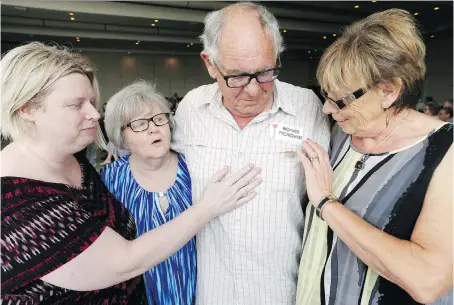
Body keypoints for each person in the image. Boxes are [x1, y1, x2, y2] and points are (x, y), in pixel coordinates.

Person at [0, 42, 262, 304]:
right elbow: (124, 261)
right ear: (27, 108)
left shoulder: (72, 159)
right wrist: (206, 208)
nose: (93, 113)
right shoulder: (13, 203)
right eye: (76, 104)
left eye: (91, 102)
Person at [172, 2, 330, 304]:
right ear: (209, 63)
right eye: (238, 77)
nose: (255, 90)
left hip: (284, 293)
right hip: (211, 293)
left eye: (265, 72)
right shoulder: (192, 109)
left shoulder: (307, 108)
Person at [295, 9, 453, 305]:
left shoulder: (445, 152)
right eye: (325, 96)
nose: (328, 110)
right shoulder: (343, 132)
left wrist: (326, 204)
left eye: (339, 100)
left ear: (389, 91)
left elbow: (428, 280)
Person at [100, 80, 197, 305]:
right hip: (140, 294)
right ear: (121, 136)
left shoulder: (194, 168)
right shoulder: (110, 179)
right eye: (140, 124)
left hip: (200, 291)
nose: (154, 128)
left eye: (159, 118)